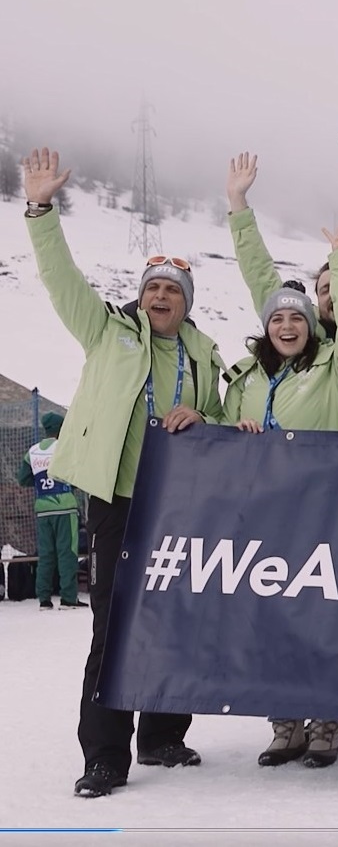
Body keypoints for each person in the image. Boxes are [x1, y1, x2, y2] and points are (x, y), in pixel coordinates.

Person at [22, 148, 225, 797]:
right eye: (152, 288)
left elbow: (221, 425)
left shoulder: (204, 355)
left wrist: (208, 418)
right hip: (119, 498)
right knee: (113, 625)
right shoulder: (109, 334)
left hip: (179, 506)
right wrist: (40, 210)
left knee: (175, 618)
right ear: (141, 298)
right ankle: (106, 754)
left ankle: (164, 733)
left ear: (187, 304)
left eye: (172, 290)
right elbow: (61, 280)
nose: (160, 296)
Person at [222, 225, 338, 769]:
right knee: (269, 618)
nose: (287, 325)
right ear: (266, 327)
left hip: (321, 513)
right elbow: (220, 440)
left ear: (311, 324)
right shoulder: (245, 377)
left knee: (320, 617)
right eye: (278, 318)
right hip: (262, 514)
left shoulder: (333, 369)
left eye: (297, 317)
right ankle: (284, 722)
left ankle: (325, 721)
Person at [226, 151, 338, 432]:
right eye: (324, 289)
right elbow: (261, 277)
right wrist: (238, 206)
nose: (334, 295)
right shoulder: (296, 334)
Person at [17, 411, 84, 610]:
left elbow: (23, 479)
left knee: (46, 554)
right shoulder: (65, 447)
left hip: (43, 508)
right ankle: (68, 598)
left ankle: (44, 599)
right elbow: (76, 472)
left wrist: (40, 483)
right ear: (60, 429)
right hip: (64, 507)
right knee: (67, 552)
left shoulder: (33, 451)